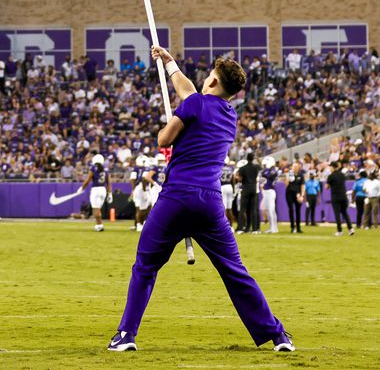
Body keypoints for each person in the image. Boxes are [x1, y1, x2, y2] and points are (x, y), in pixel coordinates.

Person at [109, 45, 292, 353]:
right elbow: (189, 92)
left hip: (177, 197)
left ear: (214, 82)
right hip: (209, 202)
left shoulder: (195, 104)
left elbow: (163, 139)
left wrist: (171, 137)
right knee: (235, 271)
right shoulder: (228, 114)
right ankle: (279, 336)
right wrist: (169, 64)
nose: (205, 78)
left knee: (145, 265)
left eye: (209, 75)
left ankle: (126, 334)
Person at [80, 153, 110, 231]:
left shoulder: (93, 168)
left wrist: (82, 188)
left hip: (96, 189)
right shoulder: (106, 169)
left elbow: (88, 179)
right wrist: (110, 193)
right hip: (103, 190)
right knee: (98, 208)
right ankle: (98, 224)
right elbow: (109, 183)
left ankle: (99, 225)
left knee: (95, 209)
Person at [326, 163, 354, 236]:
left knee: (337, 214)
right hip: (343, 196)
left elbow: (326, 187)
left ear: (333, 167)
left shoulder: (331, 176)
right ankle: (350, 228)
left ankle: (339, 231)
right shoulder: (342, 174)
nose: (330, 168)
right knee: (345, 213)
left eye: (330, 167)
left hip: (335, 197)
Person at [133, 155, 158, 232]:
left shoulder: (140, 168)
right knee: (143, 208)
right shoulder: (147, 168)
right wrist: (144, 191)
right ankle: (139, 224)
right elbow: (144, 180)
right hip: (142, 188)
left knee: (143, 208)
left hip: (140, 188)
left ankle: (140, 224)